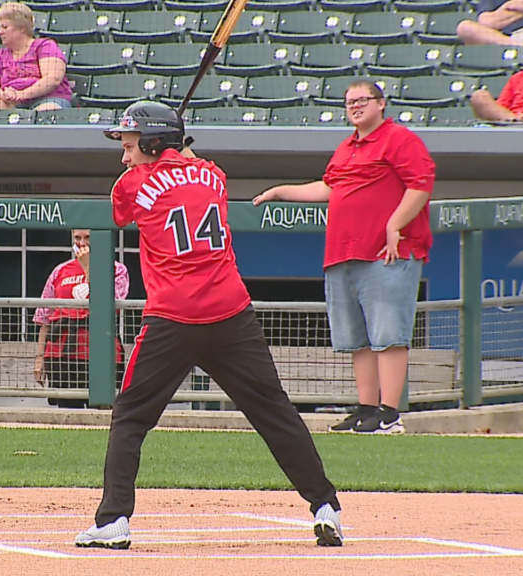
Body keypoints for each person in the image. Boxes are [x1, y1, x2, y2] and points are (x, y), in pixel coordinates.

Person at [74, 101, 342, 550]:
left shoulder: (133, 184)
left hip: (173, 317)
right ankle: (325, 506)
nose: (124, 156)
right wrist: (174, 154)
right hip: (232, 312)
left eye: (130, 145)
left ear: (155, 143)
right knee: (273, 411)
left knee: (131, 417)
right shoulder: (214, 175)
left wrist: (159, 161)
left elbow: (124, 211)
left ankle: (113, 519)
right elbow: (194, 169)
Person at [254, 80, 435, 435]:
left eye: (362, 100)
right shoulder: (346, 147)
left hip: (386, 254)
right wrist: (279, 191)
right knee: (358, 339)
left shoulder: (400, 139)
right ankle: (367, 409)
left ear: (381, 104)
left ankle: (389, 413)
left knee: (388, 335)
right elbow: (328, 187)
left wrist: (395, 224)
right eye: (349, 101)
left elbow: (421, 184)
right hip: (343, 254)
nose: (355, 106)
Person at [33, 229, 129, 408]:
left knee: (102, 412)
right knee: (67, 411)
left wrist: (87, 267)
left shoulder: (117, 269)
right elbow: (44, 317)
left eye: (88, 238)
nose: (82, 243)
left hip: (100, 353)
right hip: (62, 353)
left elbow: (110, 302)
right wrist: (39, 359)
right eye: (77, 238)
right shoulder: (60, 270)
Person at [0, 2, 72, 112]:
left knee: (44, 112)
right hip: (12, 103)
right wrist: (6, 96)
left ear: (21, 28)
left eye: (5, 27)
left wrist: (23, 94)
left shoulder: (45, 46)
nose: (0, 32)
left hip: (48, 98)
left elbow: (52, 79)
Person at [457, 0, 523, 46]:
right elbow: (486, 21)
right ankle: (522, 47)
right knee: (465, 27)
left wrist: (510, 6)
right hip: (506, 38)